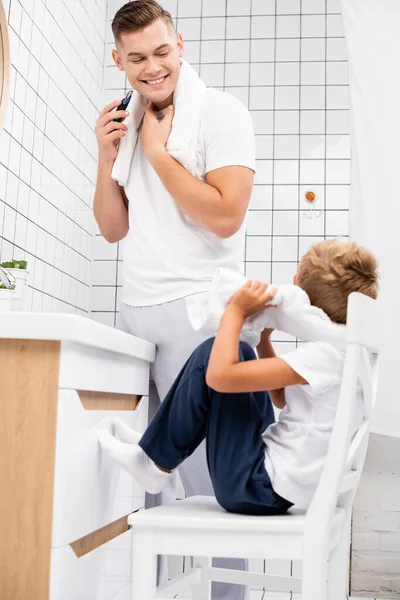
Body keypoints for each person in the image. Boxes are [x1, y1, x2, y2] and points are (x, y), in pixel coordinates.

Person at [93, 1, 255, 598]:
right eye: (137, 58)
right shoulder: (124, 120)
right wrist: (108, 155)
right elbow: (114, 229)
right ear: (119, 60)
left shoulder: (220, 113)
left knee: (215, 483)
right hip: (136, 320)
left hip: (197, 316)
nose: (152, 67)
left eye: (162, 52)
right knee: (150, 486)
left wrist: (159, 155)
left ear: (180, 45)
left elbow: (226, 216)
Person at [99, 239, 379, 518]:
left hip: (254, 487)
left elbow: (220, 377)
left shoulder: (323, 357)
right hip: (268, 484)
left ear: (306, 305)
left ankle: (156, 463)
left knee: (216, 351)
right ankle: (154, 450)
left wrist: (234, 313)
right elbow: (280, 396)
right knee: (241, 351)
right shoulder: (342, 355)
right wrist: (262, 340)